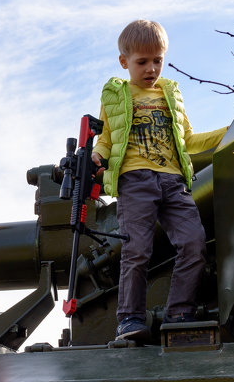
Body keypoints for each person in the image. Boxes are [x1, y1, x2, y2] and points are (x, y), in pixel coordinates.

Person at [91, 19, 227, 342]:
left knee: (194, 242)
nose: (151, 68)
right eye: (142, 62)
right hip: (135, 181)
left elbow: (188, 140)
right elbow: (107, 139)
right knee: (136, 249)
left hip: (173, 181)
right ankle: (130, 318)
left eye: (158, 61)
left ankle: (179, 310)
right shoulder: (117, 94)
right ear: (125, 62)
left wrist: (228, 133)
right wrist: (97, 154)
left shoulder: (171, 94)